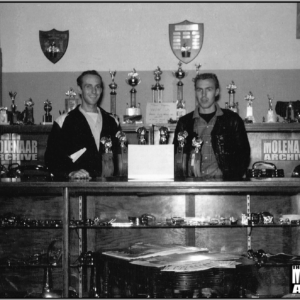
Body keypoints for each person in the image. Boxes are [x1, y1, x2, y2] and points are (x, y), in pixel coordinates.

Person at [44, 70, 121, 179]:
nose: (94, 91)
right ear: (79, 89)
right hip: (78, 189)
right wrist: (71, 172)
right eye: (88, 86)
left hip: (107, 189)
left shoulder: (112, 121)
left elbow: (119, 157)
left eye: (97, 87)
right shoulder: (64, 121)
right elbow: (52, 159)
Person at [173, 73, 250, 180]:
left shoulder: (232, 120)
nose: (204, 95)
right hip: (192, 185)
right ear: (195, 92)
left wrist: (231, 181)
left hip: (224, 187)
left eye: (208, 89)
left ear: (216, 92)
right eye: (200, 90)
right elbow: (176, 156)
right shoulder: (184, 122)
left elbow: (244, 156)